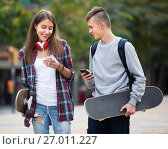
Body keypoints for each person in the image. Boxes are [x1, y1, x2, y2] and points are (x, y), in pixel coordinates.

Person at [81, 6, 146, 134]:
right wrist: (88, 80)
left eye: (90, 27)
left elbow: (140, 77)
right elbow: (92, 85)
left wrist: (133, 102)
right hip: (97, 110)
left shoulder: (124, 46)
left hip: (119, 109)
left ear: (101, 25)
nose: (89, 31)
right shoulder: (93, 49)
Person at [19, 10, 75, 134]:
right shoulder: (25, 52)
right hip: (38, 107)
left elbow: (71, 76)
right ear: (35, 26)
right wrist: (25, 106)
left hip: (60, 105)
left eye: (50, 28)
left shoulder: (63, 46)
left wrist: (58, 66)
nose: (47, 31)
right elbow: (25, 84)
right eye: (43, 27)